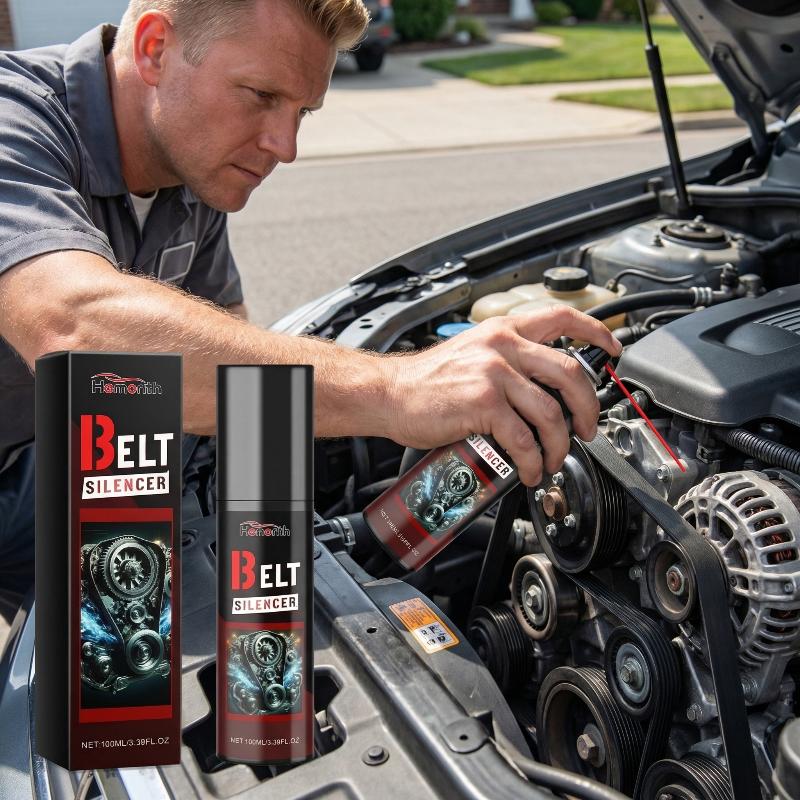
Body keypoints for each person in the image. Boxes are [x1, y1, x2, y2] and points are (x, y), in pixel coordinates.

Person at [0, 0, 621, 596]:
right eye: (261, 95)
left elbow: (229, 355)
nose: (285, 146)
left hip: (75, 462)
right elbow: (77, 332)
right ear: (155, 48)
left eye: (302, 112)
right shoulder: (16, 118)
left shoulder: (193, 164)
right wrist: (395, 389)